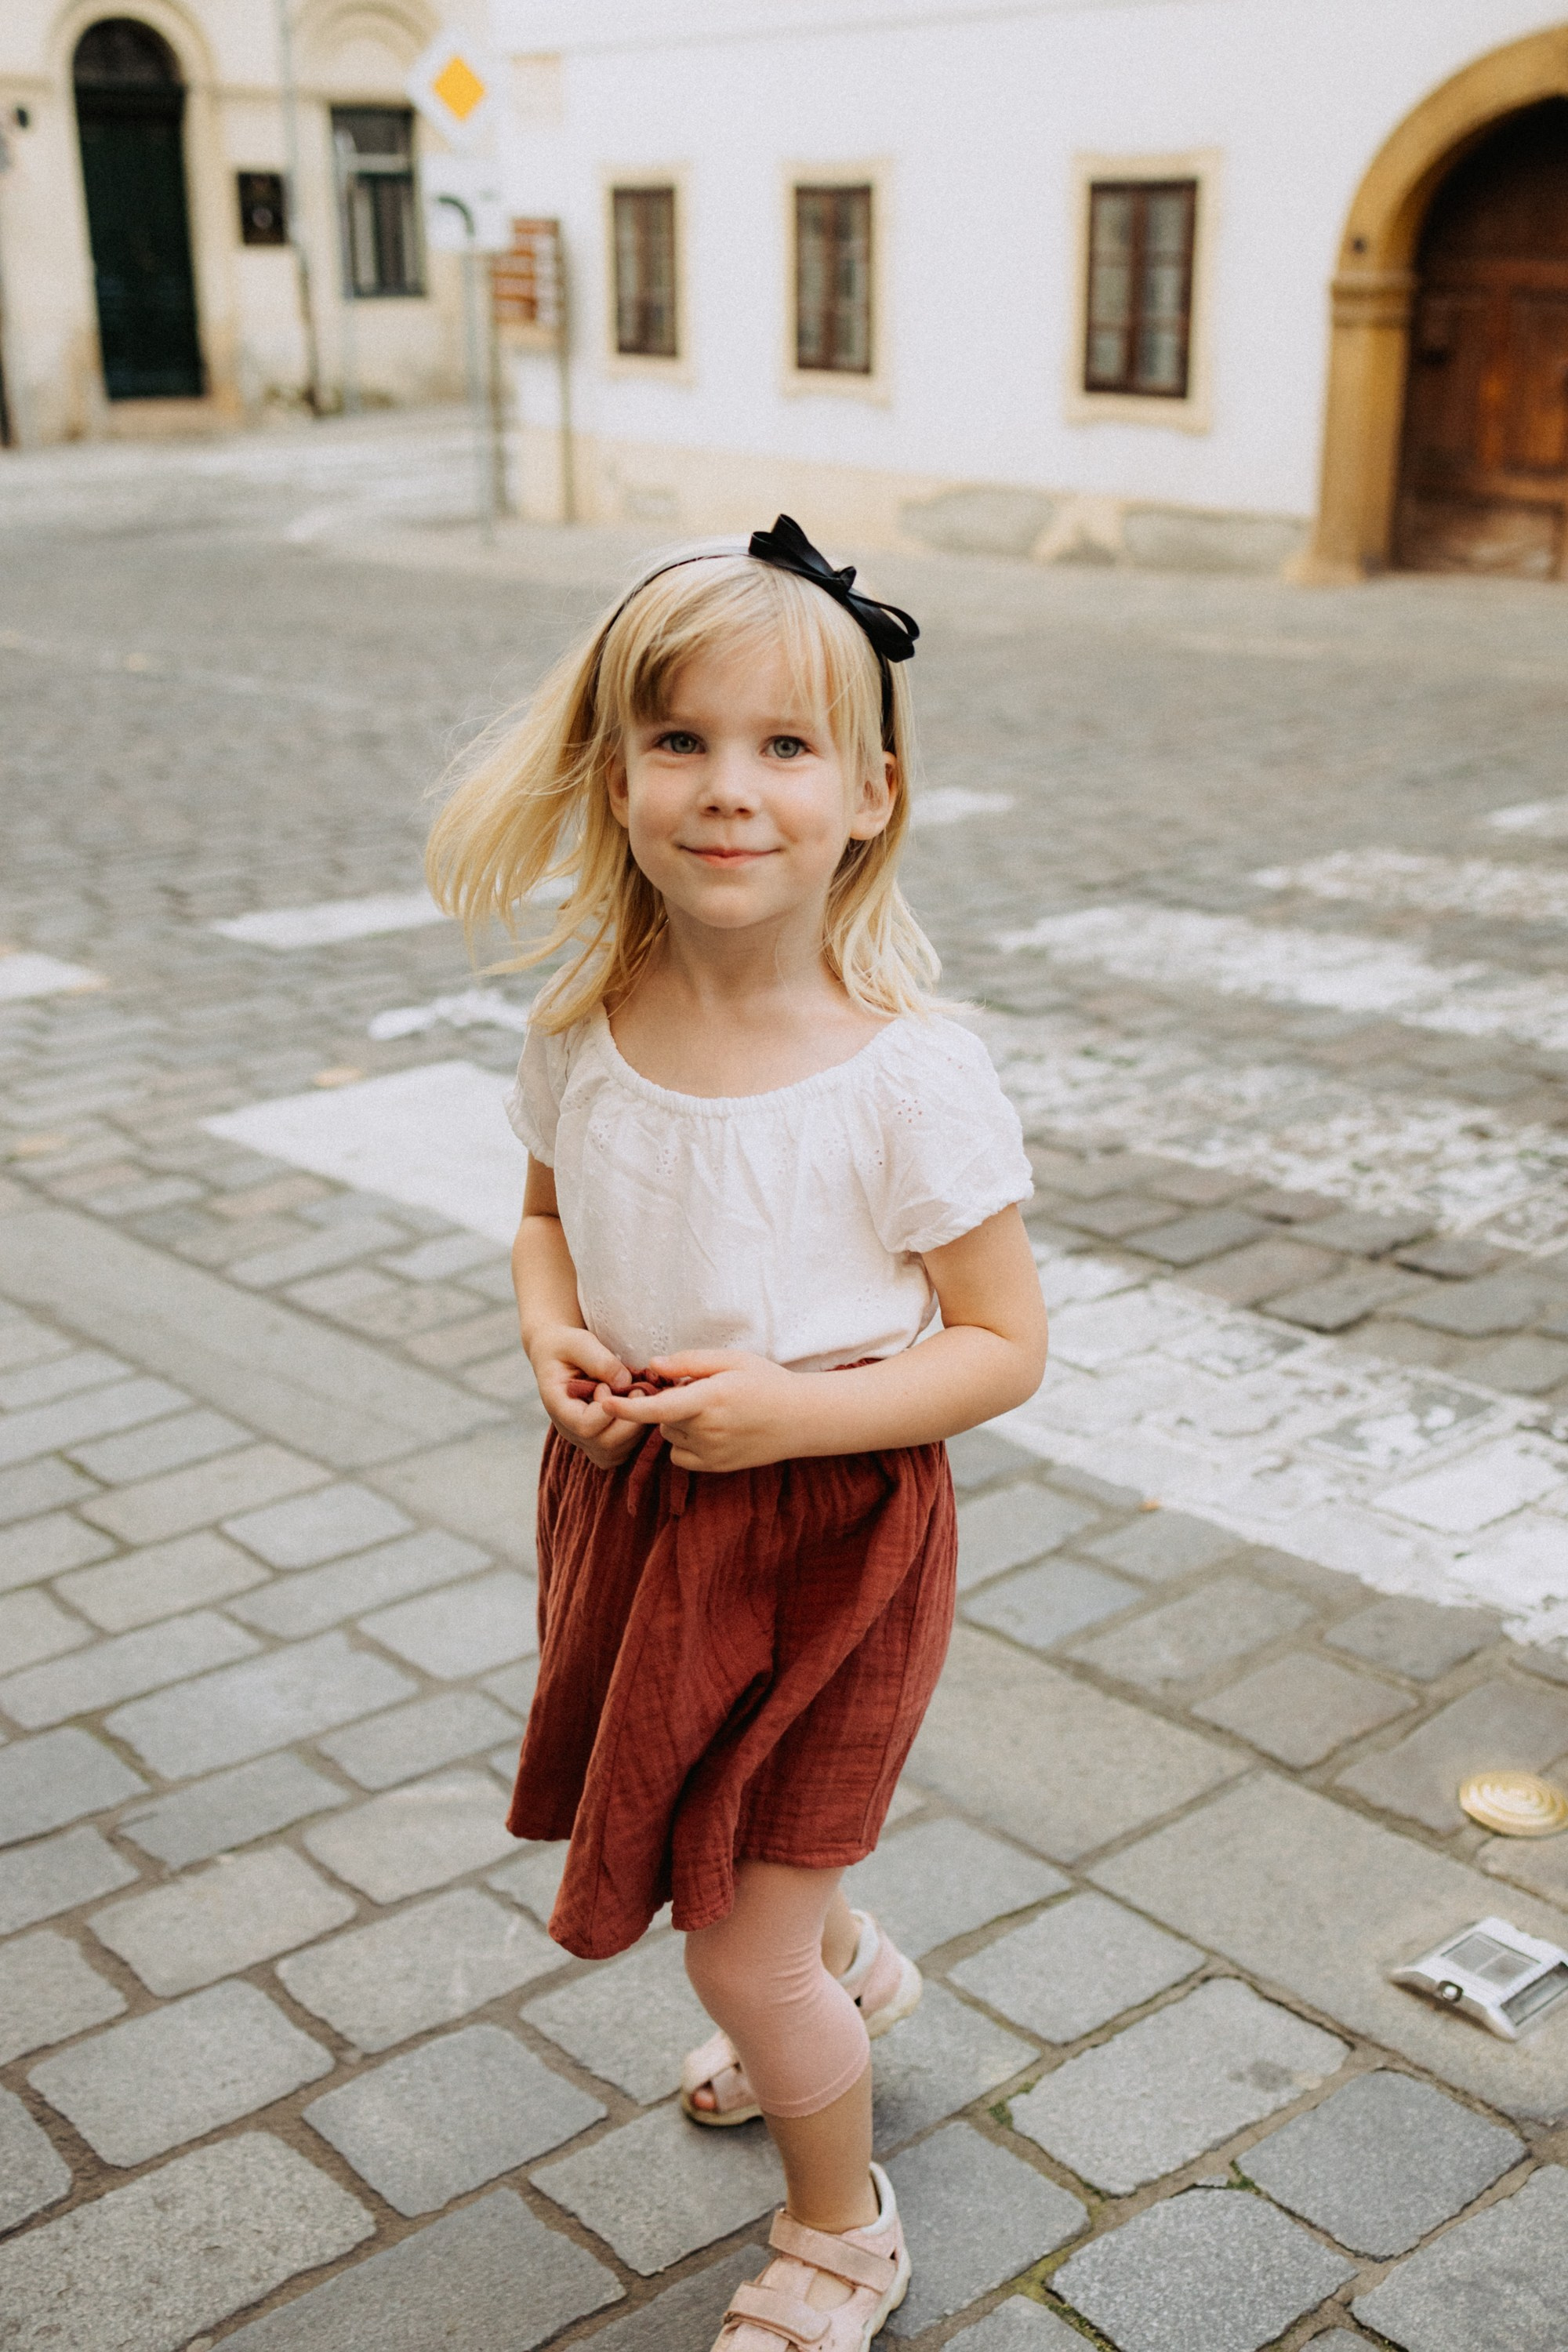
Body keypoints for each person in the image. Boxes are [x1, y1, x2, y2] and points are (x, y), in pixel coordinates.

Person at [426, 516, 1047, 2350]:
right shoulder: (585, 1019)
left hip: (829, 1542)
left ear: (870, 792)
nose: (728, 788)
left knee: (733, 1935)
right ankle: (845, 1971)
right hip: (633, 1517)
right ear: (610, 774)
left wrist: (791, 1413)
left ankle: (842, 2228)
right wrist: (550, 1330)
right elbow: (547, 1215)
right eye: (681, 739)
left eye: (784, 748)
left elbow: (1004, 1345)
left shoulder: (903, 1069)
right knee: (763, 1878)